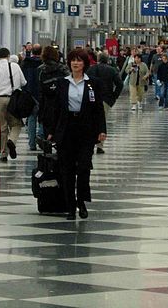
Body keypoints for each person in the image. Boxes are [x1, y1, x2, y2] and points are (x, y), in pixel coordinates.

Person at [52, 49, 106, 220]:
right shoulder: (62, 83)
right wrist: (51, 131)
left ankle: (81, 201)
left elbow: (98, 109)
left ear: (85, 63)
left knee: (83, 168)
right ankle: (70, 205)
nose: (75, 63)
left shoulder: (93, 83)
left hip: (86, 130)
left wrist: (101, 130)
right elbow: (55, 109)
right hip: (66, 130)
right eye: (73, 60)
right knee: (66, 169)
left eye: (79, 61)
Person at [0, 47, 26, 162]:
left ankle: (3, 154)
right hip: (13, 100)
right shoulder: (15, 66)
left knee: (2, 128)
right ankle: (11, 141)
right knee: (16, 124)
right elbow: (24, 82)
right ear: (8, 56)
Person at [86, 52, 123, 154]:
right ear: (108, 60)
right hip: (105, 99)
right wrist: (114, 97)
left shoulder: (91, 69)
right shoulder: (112, 70)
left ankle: (89, 143)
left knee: (91, 121)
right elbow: (120, 84)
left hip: (91, 98)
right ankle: (100, 146)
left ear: (98, 59)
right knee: (102, 122)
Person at [37, 45, 70, 141]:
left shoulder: (40, 70)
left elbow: (39, 90)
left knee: (47, 130)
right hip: (61, 104)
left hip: (46, 105)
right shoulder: (63, 68)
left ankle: (48, 151)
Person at [21, 45, 43, 150]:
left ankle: (32, 143)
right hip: (41, 94)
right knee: (42, 118)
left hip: (29, 94)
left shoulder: (25, 63)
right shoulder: (44, 64)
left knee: (31, 119)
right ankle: (42, 139)